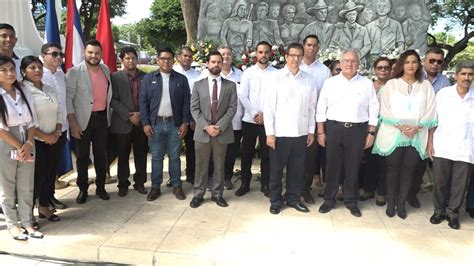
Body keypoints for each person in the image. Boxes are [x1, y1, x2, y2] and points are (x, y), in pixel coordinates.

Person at [372, 50, 437, 219]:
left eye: (414, 62)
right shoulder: (392, 85)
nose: (411, 65)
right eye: (407, 62)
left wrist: (418, 126)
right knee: (392, 170)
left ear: (418, 64)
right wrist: (399, 125)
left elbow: (431, 109)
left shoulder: (425, 86)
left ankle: (401, 204)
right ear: (402, 64)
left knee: (409, 170)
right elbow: (384, 108)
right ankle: (391, 202)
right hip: (394, 132)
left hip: (416, 134)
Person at [317, 49, 379, 218]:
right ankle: (329, 199)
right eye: (346, 61)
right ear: (341, 63)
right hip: (334, 128)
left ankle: (351, 201)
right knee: (332, 166)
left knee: (353, 167)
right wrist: (321, 132)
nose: (350, 64)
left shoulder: (366, 83)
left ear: (358, 64)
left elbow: (374, 109)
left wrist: (371, 133)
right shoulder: (330, 83)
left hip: (358, 130)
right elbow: (321, 107)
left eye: (353, 61)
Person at [264, 43, 317, 214]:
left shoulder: (308, 79)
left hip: (300, 133)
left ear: (302, 58)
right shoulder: (275, 77)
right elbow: (269, 108)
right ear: (286, 57)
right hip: (280, 133)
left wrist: (310, 131)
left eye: (299, 56)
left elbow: (311, 108)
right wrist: (270, 134)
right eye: (292, 55)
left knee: (297, 169)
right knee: (276, 170)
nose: (295, 59)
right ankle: (276, 200)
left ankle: (294, 198)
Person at [139, 47, 191, 201]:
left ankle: (176, 186)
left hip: (175, 124)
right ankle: (155, 187)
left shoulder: (181, 79)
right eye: (163, 58)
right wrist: (146, 123)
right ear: (157, 60)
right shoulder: (149, 79)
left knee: (175, 157)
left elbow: (186, 103)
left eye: (169, 59)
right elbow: (143, 102)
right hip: (156, 125)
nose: (166, 61)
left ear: (173, 60)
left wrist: (185, 122)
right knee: (156, 157)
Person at [0, 55, 42, 240]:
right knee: (7, 185)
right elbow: (1, 130)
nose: (10, 73)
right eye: (4, 70)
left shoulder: (23, 90)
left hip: (27, 138)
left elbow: (32, 121)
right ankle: (12, 224)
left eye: (12, 69)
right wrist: (19, 145)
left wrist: (28, 143)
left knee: (26, 184)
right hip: (7, 141)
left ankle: (27, 221)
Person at [428, 61, 473, 229]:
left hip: (466, 148)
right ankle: (438, 211)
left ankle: (453, 214)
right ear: (456, 75)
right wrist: (430, 142)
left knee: (459, 185)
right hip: (443, 145)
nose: (466, 77)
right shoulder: (443, 94)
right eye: (463, 74)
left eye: (470, 74)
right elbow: (434, 120)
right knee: (439, 182)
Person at [66, 39, 113, 204]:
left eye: (97, 53)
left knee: (101, 155)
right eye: (90, 52)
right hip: (81, 121)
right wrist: (73, 123)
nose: (94, 56)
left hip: (101, 118)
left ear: (101, 54)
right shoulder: (74, 72)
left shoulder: (106, 69)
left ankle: (101, 187)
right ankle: (83, 189)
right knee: (82, 157)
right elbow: (68, 98)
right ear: (84, 52)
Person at [189, 50, 237, 208]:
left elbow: (232, 108)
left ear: (223, 63)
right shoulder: (198, 85)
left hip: (221, 133)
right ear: (208, 64)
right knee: (201, 165)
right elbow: (194, 109)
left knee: (219, 165)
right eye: (213, 62)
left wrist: (219, 127)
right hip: (203, 133)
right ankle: (198, 194)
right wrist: (206, 127)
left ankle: (217, 194)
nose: (216, 64)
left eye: (219, 62)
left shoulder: (230, 86)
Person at [21, 56, 64, 225]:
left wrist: (58, 131)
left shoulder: (48, 88)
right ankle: (28, 213)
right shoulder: (22, 90)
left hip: (54, 138)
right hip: (35, 141)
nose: (37, 70)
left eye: (39, 67)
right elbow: (25, 121)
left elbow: (59, 111)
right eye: (32, 68)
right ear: (24, 71)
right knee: (36, 178)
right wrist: (44, 136)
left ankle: (44, 206)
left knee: (49, 175)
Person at [409, 47, 451, 208]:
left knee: (421, 164)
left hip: (432, 129)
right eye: (432, 60)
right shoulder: (415, 78)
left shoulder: (445, 82)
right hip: (412, 127)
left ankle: (412, 195)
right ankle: (402, 193)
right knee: (408, 163)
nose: (435, 64)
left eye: (439, 61)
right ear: (424, 61)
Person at [236, 41, 277, 197]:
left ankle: (265, 184)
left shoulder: (276, 74)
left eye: (266, 52)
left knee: (267, 155)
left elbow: (277, 97)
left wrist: (265, 115)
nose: (264, 55)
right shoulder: (248, 73)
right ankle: (245, 183)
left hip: (268, 121)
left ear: (270, 54)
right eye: (260, 52)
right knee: (247, 153)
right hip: (249, 120)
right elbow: (242, 95)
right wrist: (255, 113)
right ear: (256, 54)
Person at [199, 47, 243, 190]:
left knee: (229, 154)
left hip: (232, 123)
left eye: (228, 54)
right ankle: (209, 181)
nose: (225, 57)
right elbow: (197, 103)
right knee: (209, 157)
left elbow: (236, 103)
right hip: (208, 126)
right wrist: (207, 125)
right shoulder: (202, 78)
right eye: (222, 54)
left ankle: (226, 179)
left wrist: (221, 125)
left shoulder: (240, 75)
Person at [110, 47, 148, 197]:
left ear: (137, 59)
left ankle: (140, 183)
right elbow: (112, 100)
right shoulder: (115, 77)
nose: (131, 61)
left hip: (141, 123)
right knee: (123, 155)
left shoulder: (146, 77)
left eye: (133, 58)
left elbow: (150, 99)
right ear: (122, 60)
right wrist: (129, 115)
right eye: (127, 58)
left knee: (141, 155)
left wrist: (140, 115)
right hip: (122, 123)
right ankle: (123, 184)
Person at [299, 34, 331, 204]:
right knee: (294, 156)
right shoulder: (295, 66)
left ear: (318, 48)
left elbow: (325, 99)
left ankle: (305, 189)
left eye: (314, 45)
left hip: (314, 120)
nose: (311, 48)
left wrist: (320, 127)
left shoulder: (324, 71)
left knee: (311, 157)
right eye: (308, 44)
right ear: (303, 46)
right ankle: (292, 188)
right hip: (295, 119)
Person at [359, 57, 393, 206]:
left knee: (384, 163)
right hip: (368, 129)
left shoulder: (394, 87)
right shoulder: (368, 86)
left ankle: (382, 193)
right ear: (375, 70)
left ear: (390, 70)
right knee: (369, 161)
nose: (383, 70)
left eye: (386, 68)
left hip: (387, 129)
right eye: (380, 68)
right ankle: (368, 189)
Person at [41, 43, 69, 210]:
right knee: (43, 169)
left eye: (60, 54)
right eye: (54, 54)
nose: (58, 57)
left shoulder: (60, 74)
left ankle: (50, 196)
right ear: (44, 56)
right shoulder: (38, 75)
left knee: (53, 167)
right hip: (44, 131)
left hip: (61, 128)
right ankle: (42, 200)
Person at [173, 46, 201, 185]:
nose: (187, 58)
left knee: (192, 150)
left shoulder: (197, 75)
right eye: (184, 55)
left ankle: (191, 175)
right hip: (174, 118)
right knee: (173, 151)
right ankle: (174, 178)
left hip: (192, 118)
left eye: (190, 56)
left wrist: (193, 118)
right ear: (179, 57)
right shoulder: (171, 72)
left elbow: (198, 98)